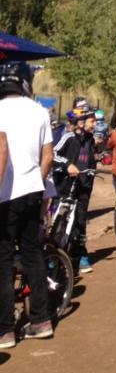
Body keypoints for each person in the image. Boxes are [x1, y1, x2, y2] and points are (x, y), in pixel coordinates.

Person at [0, 62, 54, 346]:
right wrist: (36, 181)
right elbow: (48, 155)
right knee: (33, 254)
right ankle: (41, 320)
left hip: (4, 195)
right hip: (33, 191)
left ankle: (5, 329)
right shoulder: (39, 112)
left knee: (4, 260)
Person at [53, 102, 97, 274]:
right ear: (81, 123)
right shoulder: (68, 138)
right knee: (59, 222)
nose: (94, 124)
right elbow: (54, 154)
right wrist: (68, 165)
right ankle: (53, 256)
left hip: (83, 187)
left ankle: (79, 257)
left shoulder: (90, 139)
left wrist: (92, 170)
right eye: (91, 121)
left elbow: (91, 159)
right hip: (64, 187)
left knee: (80, 222)